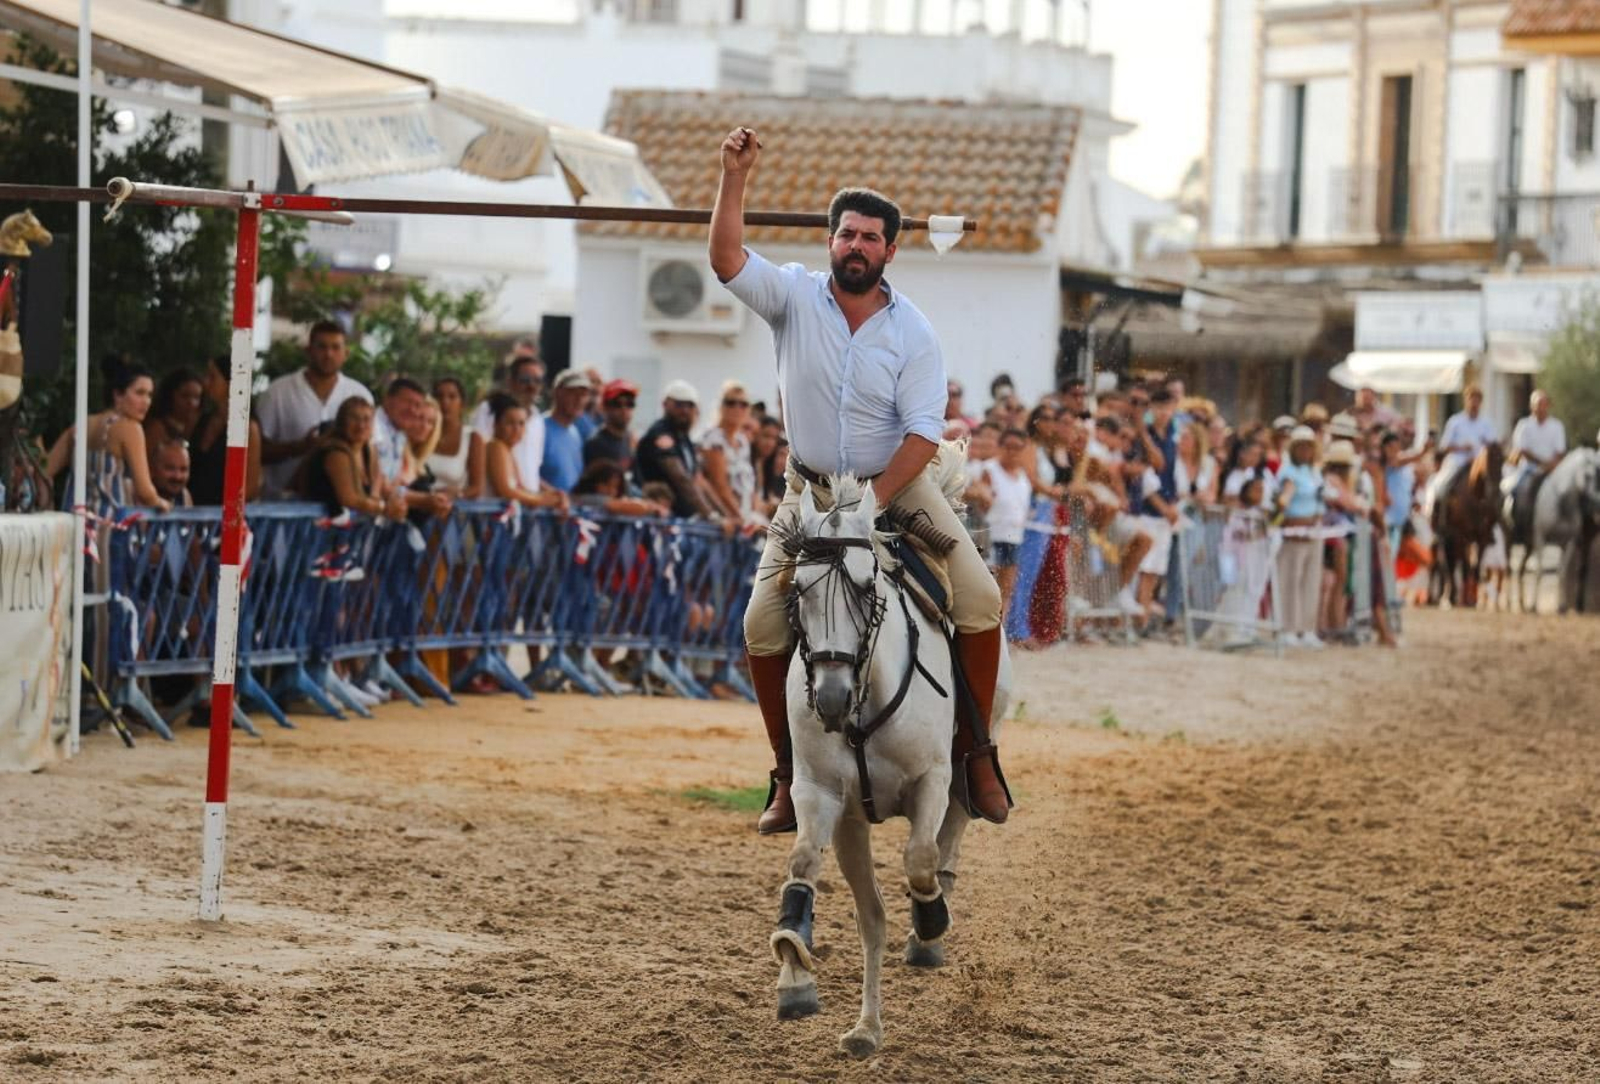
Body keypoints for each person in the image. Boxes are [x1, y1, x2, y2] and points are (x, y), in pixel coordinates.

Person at [711, 127, 1009, 830]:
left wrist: (869, 504)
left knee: (980, 598)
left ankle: (976, 755)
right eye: (847, 233)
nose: (856, 245)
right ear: (830, 241)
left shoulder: (915, 333)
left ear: (890, 251)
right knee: (760, 623)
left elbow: (922, 435)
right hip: (808, 492)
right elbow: (726, 259)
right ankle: (787, 773)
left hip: (897, 488)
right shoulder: (790, 296)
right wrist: (735, 177)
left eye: (871, 237)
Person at [257, 321, 373, 498]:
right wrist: (300, 447)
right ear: (308, 350)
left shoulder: (360, 394)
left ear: (346, 353)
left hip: (345, 508)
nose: (328, 354)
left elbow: (371, 451)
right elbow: (256, 451)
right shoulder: (277, 392)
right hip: (283, 507)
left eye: (336, 347)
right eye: (322, 347)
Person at [45, 356, 171, 514]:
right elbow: (144, 490)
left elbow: (45, 470)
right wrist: (160, 502)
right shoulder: (130, 429)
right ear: (118, 394)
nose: (146, 402)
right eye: (139, 393)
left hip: (75, 525)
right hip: (110, 526)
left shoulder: (81, 425)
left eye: (149, 395)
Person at [294, 397, 403, 519]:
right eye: (354, 418)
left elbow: (375, 494)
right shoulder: (336, 452)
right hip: (314, 525)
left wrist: (395, 502)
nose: (361, 425)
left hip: (350, 526)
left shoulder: (369, 450)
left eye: (366, 419)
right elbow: (349, 500)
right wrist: (383, 507)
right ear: (342, 422)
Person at [635, 380, 719, 520]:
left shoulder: (685, 440)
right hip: (660, 518)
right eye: (679, 404)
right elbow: (680, 478)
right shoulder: (660, 433)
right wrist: (711, 515)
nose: (685, 410)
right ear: (665, 404)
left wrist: (726, 516)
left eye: (690, 405)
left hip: (681, 519)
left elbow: (699, 482)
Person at [1274, 426, 1326, 648]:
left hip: (1314, 531)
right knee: (1290, 581)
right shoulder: (1289, 473)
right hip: (1294, 533)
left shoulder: (1314, 472)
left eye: (1309, 447)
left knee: (1311, 582)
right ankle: (1287, 627)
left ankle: (1307, 628)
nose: (1306, 451)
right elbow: (1284, 502)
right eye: (1302, 447)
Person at [189, 354, 263, 506]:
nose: (205, 382)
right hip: (193, 511)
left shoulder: (248, 428)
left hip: (223, 514)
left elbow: (250, 486)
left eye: (212, 377)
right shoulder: (201, 421)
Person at [471, 354, 546, 500]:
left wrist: (551, 496)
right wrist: (541, 501)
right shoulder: (489, 409)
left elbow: (531, 474)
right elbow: (503, 488)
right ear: (510, 381)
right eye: (525, 380)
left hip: (525, 508)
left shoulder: (539, 420)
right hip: (492, 508)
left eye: (538, 381)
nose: (532, 386)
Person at [483, 393, 569, 511]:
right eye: (510, 423)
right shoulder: (496, 447)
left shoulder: (508, 451)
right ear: (496, 425)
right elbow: (505, 490)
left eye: (521, 423)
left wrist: (552, 496)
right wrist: (540, 500)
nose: (517, 429)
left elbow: (520, 488)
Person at [980, 427, 1033, 619]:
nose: (1012, 452)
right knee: (990, 586)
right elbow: (983, 499)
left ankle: (1001, 629)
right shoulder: (989, 469)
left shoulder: (1023, 477)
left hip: (1014, 536)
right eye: (1008, 447)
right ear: (1001, 447)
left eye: (1017, 448)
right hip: (992, 535)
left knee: (1007, 587)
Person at [1425, 384, 1498, 517]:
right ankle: (1438, 518)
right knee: (1441, 487)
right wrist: (1461, 448)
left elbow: (1492, 447)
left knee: (1496, 488)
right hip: (1458, 462)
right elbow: (1444, 447)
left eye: (1477, 400)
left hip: (1480, 465)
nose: (1474, 403)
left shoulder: (1486, 424)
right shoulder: (1455, 422)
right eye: (1471, 399)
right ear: (1466, 400)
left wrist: (1483, 452)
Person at [701, 379, 759, 524]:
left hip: (742, 517)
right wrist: (740, 518)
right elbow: (720, 486)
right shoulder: (713, 439)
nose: (737, 408)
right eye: (731, 403)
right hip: (725, 520)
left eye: (743, 404)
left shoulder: (742, 441)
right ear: (721, 406)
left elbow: (748, 483)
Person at [426, 377, 484, 498]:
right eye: (439, 396)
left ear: (462, 404)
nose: (445, 402)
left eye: (452, 397)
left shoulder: (472, 438)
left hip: (452, 510)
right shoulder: (422, 432)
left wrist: (458, 494)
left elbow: (476, 488)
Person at [541, 370, 591, 493]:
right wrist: (555, 497)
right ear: (557, 392)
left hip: (569, 509)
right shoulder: (539, 428)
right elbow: (525, 474)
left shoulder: (575, 433)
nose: (579, 399)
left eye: (583, 394)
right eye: (573, 393)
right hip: (543, 509)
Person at [584, 379, 640, 474]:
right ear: (605, 407)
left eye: (630, 404)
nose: (624, 409)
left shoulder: (630, 438)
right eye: (617, 404)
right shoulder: (596, 444)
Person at [573, 459, 664, 517]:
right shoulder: (586, 499)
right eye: (606, 485)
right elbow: (623, 506)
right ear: (594, 482)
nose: (611, 491)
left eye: (615, 487)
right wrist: (651, 507)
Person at [145, 368, 204, 448]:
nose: (191, 403)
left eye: (196, 397)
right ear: (170, 396)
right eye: (185, 396)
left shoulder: (198, 428)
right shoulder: (156, 428)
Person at [751, 414, 786, 519]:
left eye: (774, 438)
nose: (770, 443)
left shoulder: (767, 466)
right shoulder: (749, 463)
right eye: (766, 436)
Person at [149, 437, 194, 507]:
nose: (178, 476)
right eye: (170, 468)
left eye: (183, 469)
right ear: (152, 469)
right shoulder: (130, 491)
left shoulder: (184, 495)